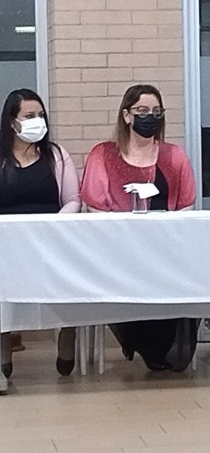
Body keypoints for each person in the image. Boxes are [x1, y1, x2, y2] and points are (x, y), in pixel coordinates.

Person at [80, 84, 197, 371]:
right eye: (142, 111)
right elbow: (95, 206)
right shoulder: (103, 154)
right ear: (127, 115)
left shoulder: (174, 156)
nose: (150, 117)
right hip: (118, 251)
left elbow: (186, 206)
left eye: (156, 112)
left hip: (166, 251)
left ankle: (162, 348)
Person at [0, 88, 81, 378]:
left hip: (52, 240)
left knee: (70, 279)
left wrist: (54, 227)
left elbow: (73, 200)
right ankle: (4, 346)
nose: (38, 121)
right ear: (12, 122)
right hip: (7, 245)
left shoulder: (57, 156)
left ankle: (67, 336)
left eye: (41, 116)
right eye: (29, 116)